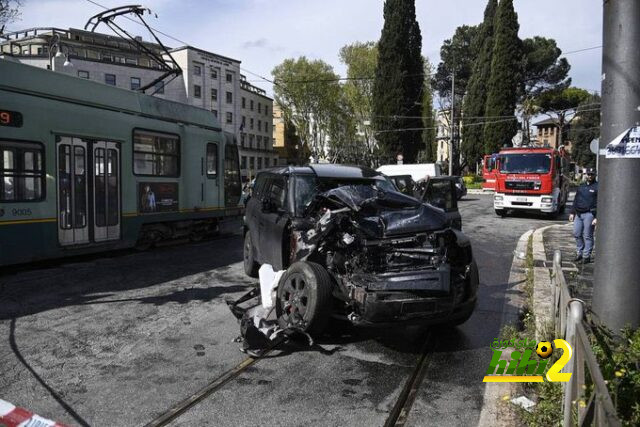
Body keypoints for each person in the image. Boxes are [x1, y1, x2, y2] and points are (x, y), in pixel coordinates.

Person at [569, 168, 598, 263]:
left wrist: (597, 217)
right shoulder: (581, 186)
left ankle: (586, 256)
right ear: (586, 175)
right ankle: (579, 253)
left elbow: (601, 203)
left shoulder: (598, 187)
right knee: (577, 233)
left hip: (589, 214)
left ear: (595, 175)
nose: (590, 176)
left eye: (592, 174)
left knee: (588, 235)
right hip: (578, 214)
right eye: (588, 174)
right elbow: (576, 200)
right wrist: (572, 213)